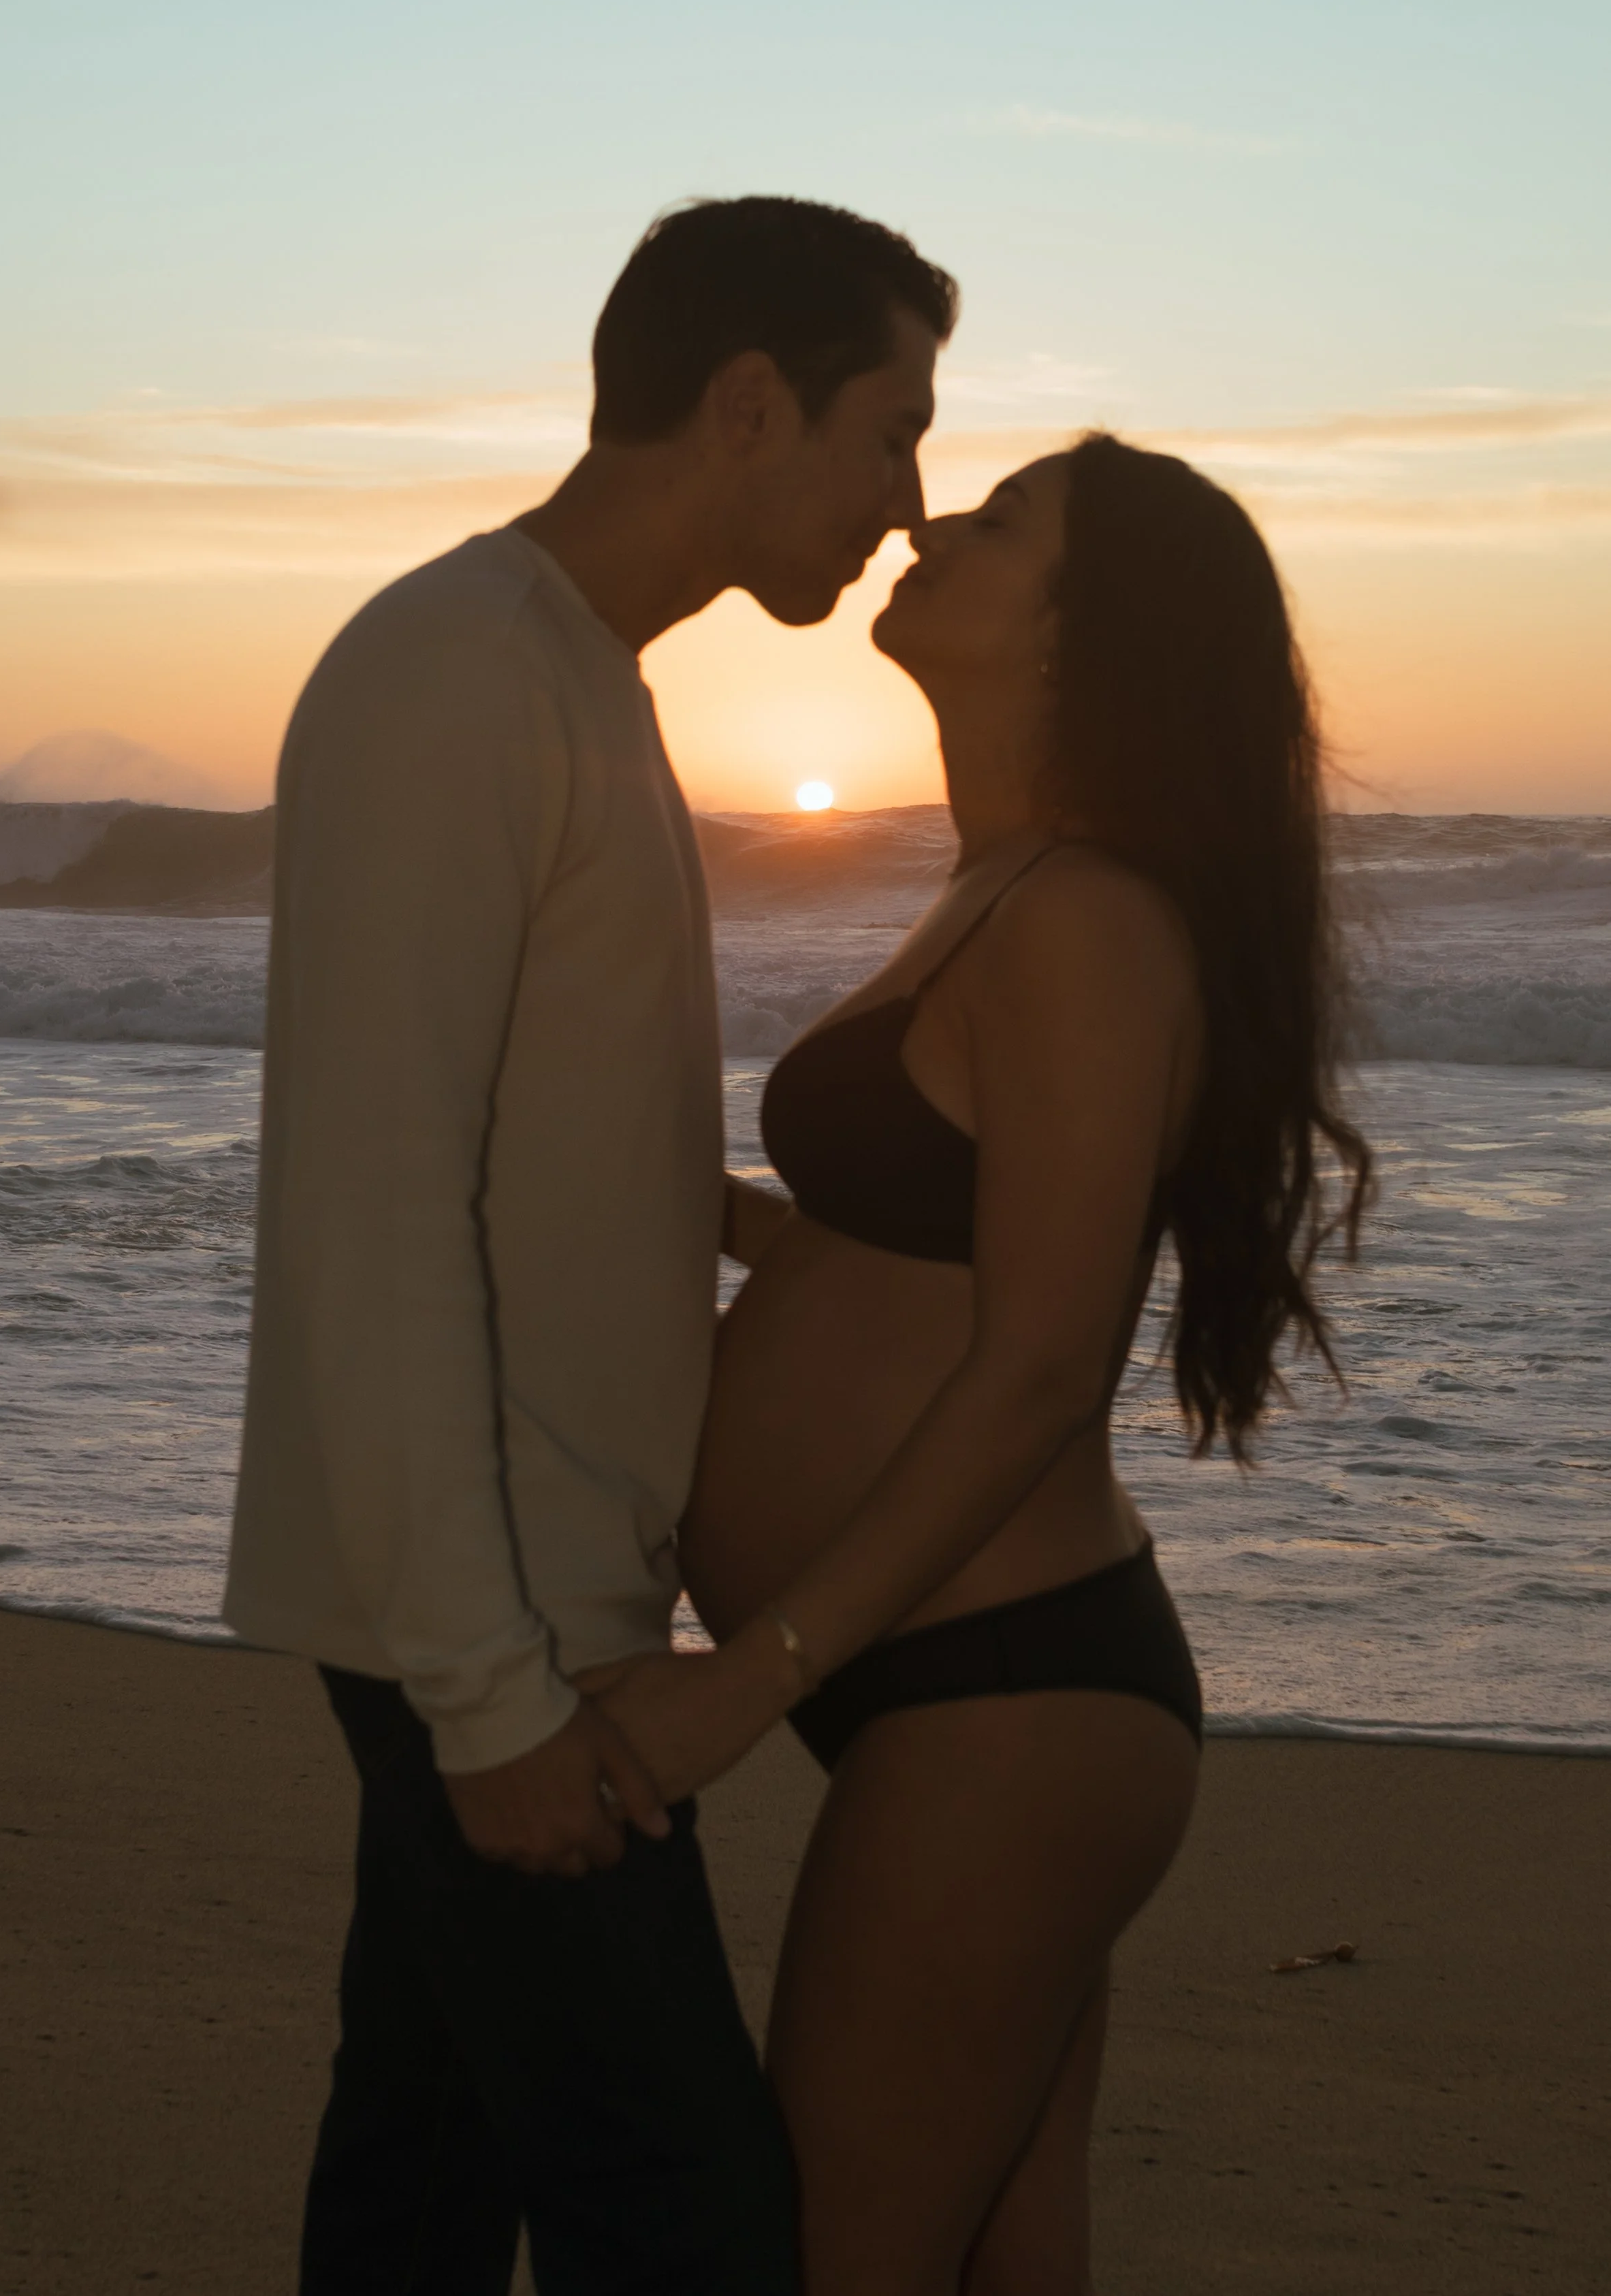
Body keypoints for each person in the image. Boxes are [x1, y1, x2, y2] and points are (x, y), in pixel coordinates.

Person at [221, 195, 958, 2295]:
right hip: (494, 1618)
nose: (909, 503)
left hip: (514, 1584)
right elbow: (375, 1215)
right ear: (746, 404)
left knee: (425, 2159)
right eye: (889, 429)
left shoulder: (568, 670)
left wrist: (761, 1236)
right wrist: (492, 1699)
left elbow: (505, 1139)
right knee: (688, 2205)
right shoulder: (463, 674)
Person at [594, 432, 1372, 2294]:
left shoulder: (1087, 924)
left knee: (835, 2260)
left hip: (998, 1695)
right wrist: (669, 1199)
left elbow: (1034, 1366)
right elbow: (906, 1261)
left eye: (1001, 518)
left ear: (1083, 634)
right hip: (964, 1690)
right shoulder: (1004, 883)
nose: (934, 518)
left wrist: (740, 1678)